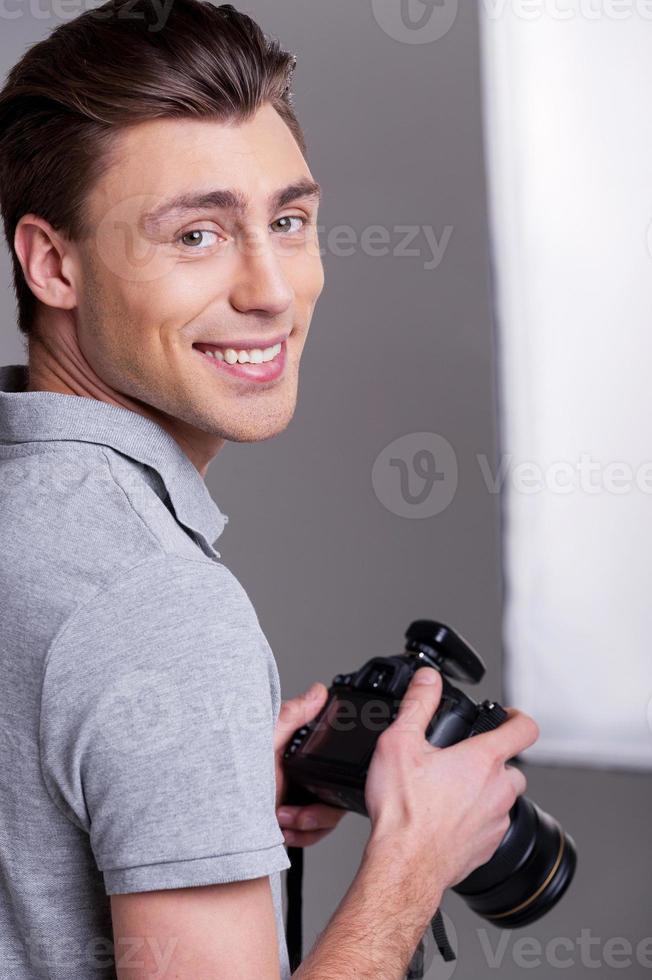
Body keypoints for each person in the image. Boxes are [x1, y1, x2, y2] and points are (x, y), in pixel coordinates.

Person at [0, 1, 540, 977]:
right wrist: (414, 859)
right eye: (198, 235)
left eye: (287, 220)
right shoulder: (158, 604)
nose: (271, 289)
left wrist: (205, 804)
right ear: (52, 263)